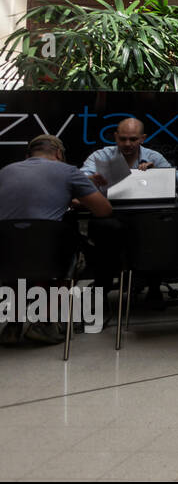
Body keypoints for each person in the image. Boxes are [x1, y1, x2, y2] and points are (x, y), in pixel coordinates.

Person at [0, 136, 111, 346]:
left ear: (27, 156)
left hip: (5, 256)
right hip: (47, 255)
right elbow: (104, 210)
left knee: (19, 252)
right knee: (75, 255)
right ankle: (45, 322)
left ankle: (12, 325)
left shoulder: (5, 171)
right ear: (59, 154)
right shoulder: (68, 171)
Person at [81, 118, 172, 188]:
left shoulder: (154, 157)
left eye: (133, 139)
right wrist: (92, 179)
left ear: (142, 139)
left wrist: (157, 172)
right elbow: (80, 178)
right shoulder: (101, 156)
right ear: (116, 137)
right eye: (122, 139)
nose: (127, 144)